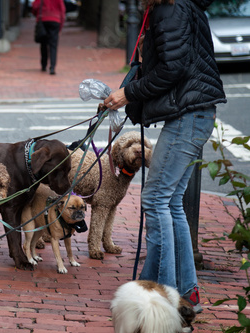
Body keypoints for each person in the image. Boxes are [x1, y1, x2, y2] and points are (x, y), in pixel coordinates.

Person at [103, 0, 226, 314]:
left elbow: (173, 69)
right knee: (170, 202)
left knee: (156, 199)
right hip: (194, 114)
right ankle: (186, 294)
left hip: (188, 116)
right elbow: (170, 65)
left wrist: (128, 94)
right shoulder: (182, 7)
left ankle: (165, 298)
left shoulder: (169, 10)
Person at [32, 0, 66, 75]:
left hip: (43, 20)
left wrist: (37, 15)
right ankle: (52, 67)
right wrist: (60, 27)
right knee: (53, 45)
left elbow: (34, 6)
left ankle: (44, 65)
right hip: (55, 20)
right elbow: (62, 11)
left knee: (43, 44)